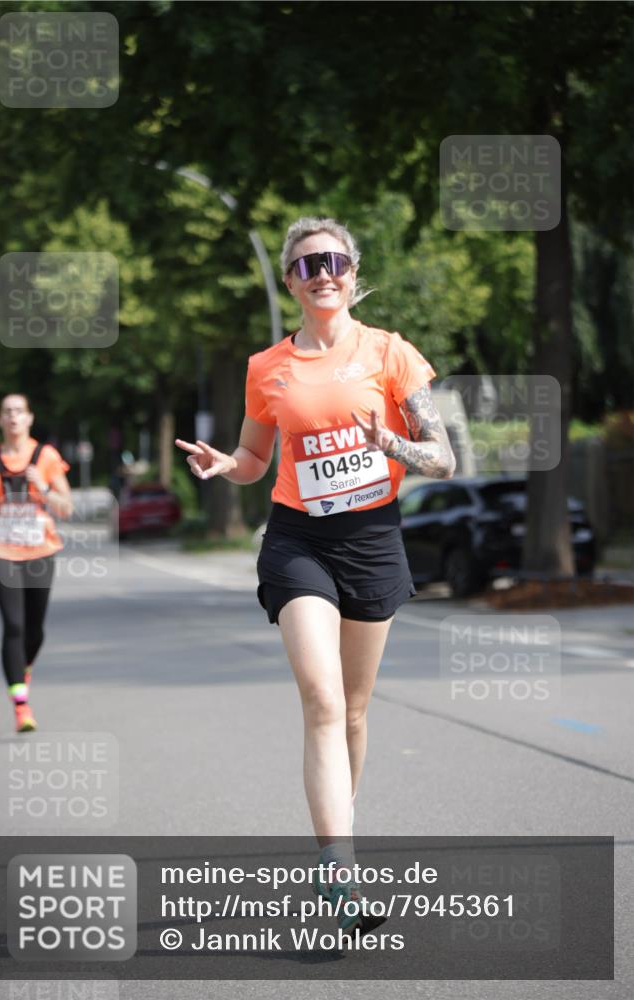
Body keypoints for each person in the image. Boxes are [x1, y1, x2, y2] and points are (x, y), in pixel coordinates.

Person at [175, 217, 455, 937]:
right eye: (305, 265)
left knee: (355, 711)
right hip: (298, 541)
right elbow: (253, 457)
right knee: (322, 700)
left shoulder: (391, 355)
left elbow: (443, 458)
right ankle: (339, 871)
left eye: (332, 260)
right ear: (291, 283)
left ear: (353, 272)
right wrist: (223, 466)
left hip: (372, 540)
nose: (320, 272)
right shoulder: (267, 366)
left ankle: (340, 828)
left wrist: (386, 439)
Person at [0, 395, 73, 732]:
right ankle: (21, 706)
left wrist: (42, 486)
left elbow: (66, 508)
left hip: (40, 550)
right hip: (2, 551)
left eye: (19, 412)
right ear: (0, 420)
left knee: (35, 629)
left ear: (29, 418)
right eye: (7, 412)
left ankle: (22, 667)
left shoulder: (46, 457)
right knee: (13, 625)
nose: (13, 417)